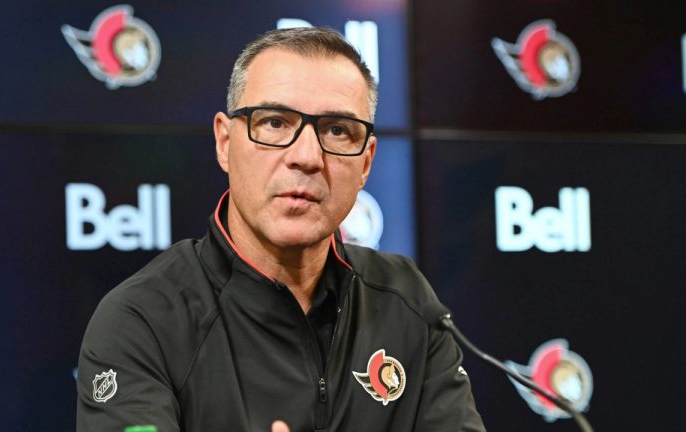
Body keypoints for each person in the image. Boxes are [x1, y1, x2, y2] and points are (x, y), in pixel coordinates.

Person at [76, 27, 485, 432]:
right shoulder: (142, 320)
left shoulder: (406, 299)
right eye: (274, 123)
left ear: (366, 162)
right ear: (224, 142)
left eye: (337, 130)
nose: (306, 157)